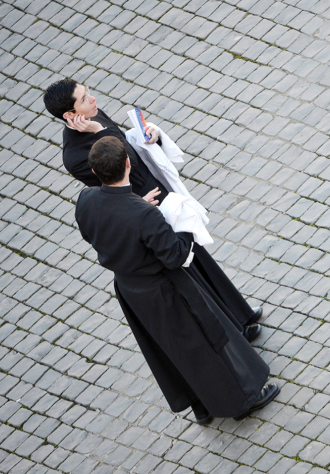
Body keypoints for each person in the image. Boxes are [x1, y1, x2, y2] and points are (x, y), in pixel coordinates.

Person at [75, 137, 279, 423]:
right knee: (206, 343)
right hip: (167, 289)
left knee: (169, 352)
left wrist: (136, 206)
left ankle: (202, 407)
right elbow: (176, 256)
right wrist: (183, 223)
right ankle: (242, 401)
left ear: (95, 172)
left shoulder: (86, 200)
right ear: (129, 164)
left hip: (130, 291)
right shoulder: (144, 215)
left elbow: (96, 231)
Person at [44, 78, 263, 342]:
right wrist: (98, 131)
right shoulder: (75, 156)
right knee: (188, 268)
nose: (92, 99)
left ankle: (240, 313)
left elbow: (127, 145)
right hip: (145, 206)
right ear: (70, 115)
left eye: (88, 92)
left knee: (198, 253)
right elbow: (123, 169)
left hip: (157, 189)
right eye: (83, 99)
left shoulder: (93, 115)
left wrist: (150, 136)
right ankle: (235, 331)